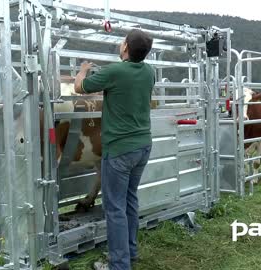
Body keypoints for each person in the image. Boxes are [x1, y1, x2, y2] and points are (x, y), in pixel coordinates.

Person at [74, 29, 155, 270]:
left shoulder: (115, 71)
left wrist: (83, 70)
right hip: (142, 147)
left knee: (115, 207)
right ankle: (130, 252)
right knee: (130, 200)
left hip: (119, 150)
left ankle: (119, 265)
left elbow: (80, 88)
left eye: (122, 42)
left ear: (126, 47)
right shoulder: (149, 71)